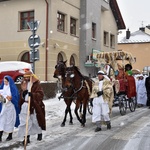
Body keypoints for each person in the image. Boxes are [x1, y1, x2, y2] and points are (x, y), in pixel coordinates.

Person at [18, 71, 46, 145]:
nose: (26, 78)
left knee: (35, 121)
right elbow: (21, 94)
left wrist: (32, 94)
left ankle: (39, 133)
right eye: (25, 77)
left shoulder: (36, 84)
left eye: (28, 77)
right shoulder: (24, 84)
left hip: (34, 106)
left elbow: (41, 94)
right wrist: (23, 94)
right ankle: (26, 138)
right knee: (25, 122)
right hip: (25, 105)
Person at [0, 75, 20, 142]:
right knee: (2, 120)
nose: (5, 83)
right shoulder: (2, 87)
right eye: (4, 81)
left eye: (6, 81)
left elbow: (15, 97)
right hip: (4, 106)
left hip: (11, 107)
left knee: (10, 121)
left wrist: (11, 98)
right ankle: (0, 135)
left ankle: (10, 135)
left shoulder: (12, 88)